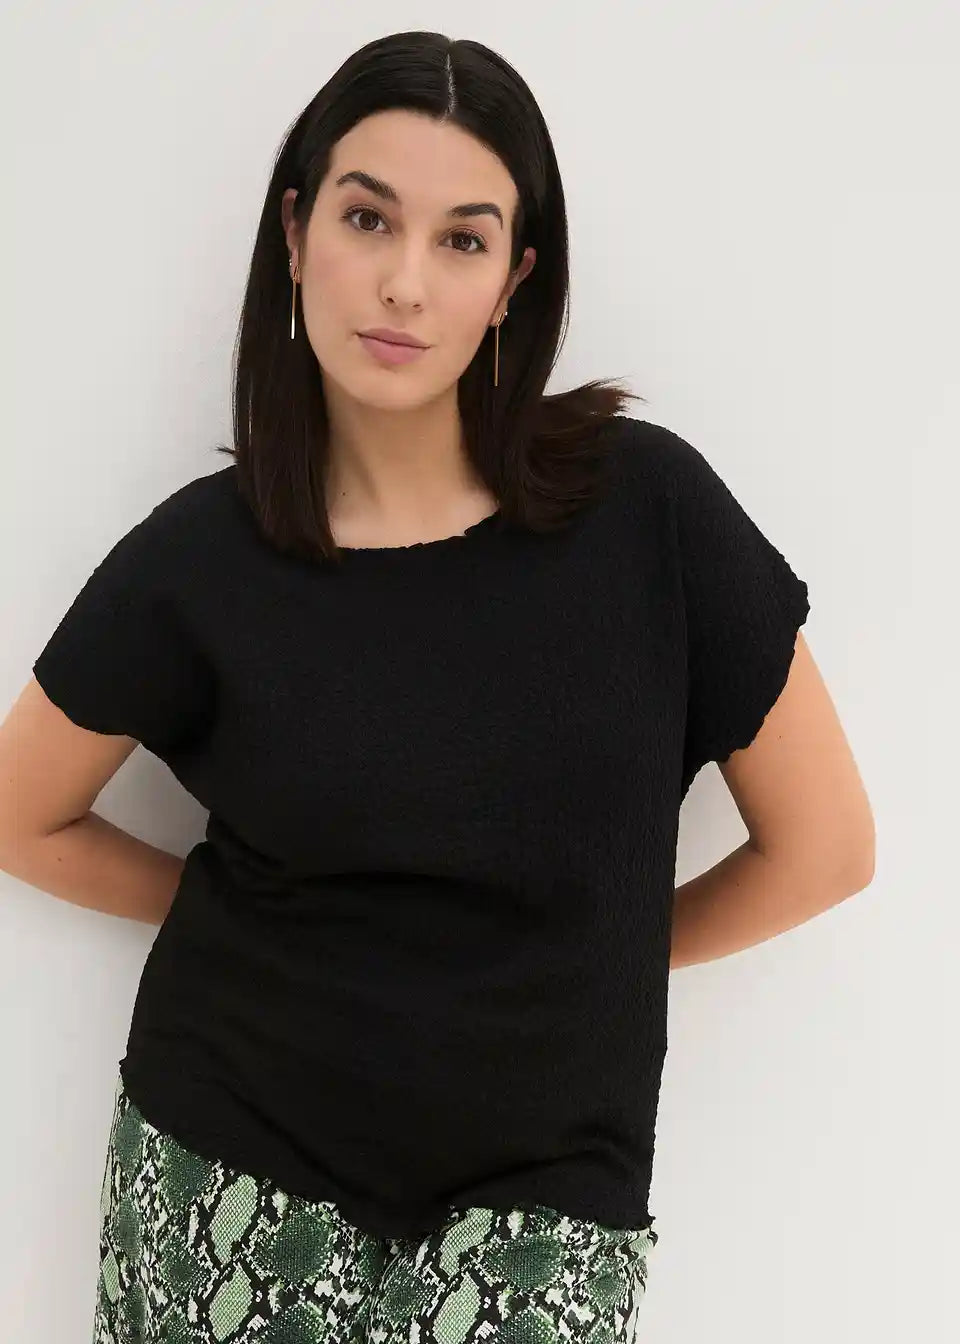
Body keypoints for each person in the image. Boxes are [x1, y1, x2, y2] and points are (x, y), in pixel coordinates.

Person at [0, 30, 875, 1344]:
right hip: (220, 1194)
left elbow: (827, 847)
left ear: (515, 279)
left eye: (462, 239)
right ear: (295, 234)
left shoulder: (650, 515)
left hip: (538, 1228)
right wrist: (257, 927)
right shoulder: (199, 563)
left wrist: (588, 956)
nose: (404, 282)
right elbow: (18, 811)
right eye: (367, 218)